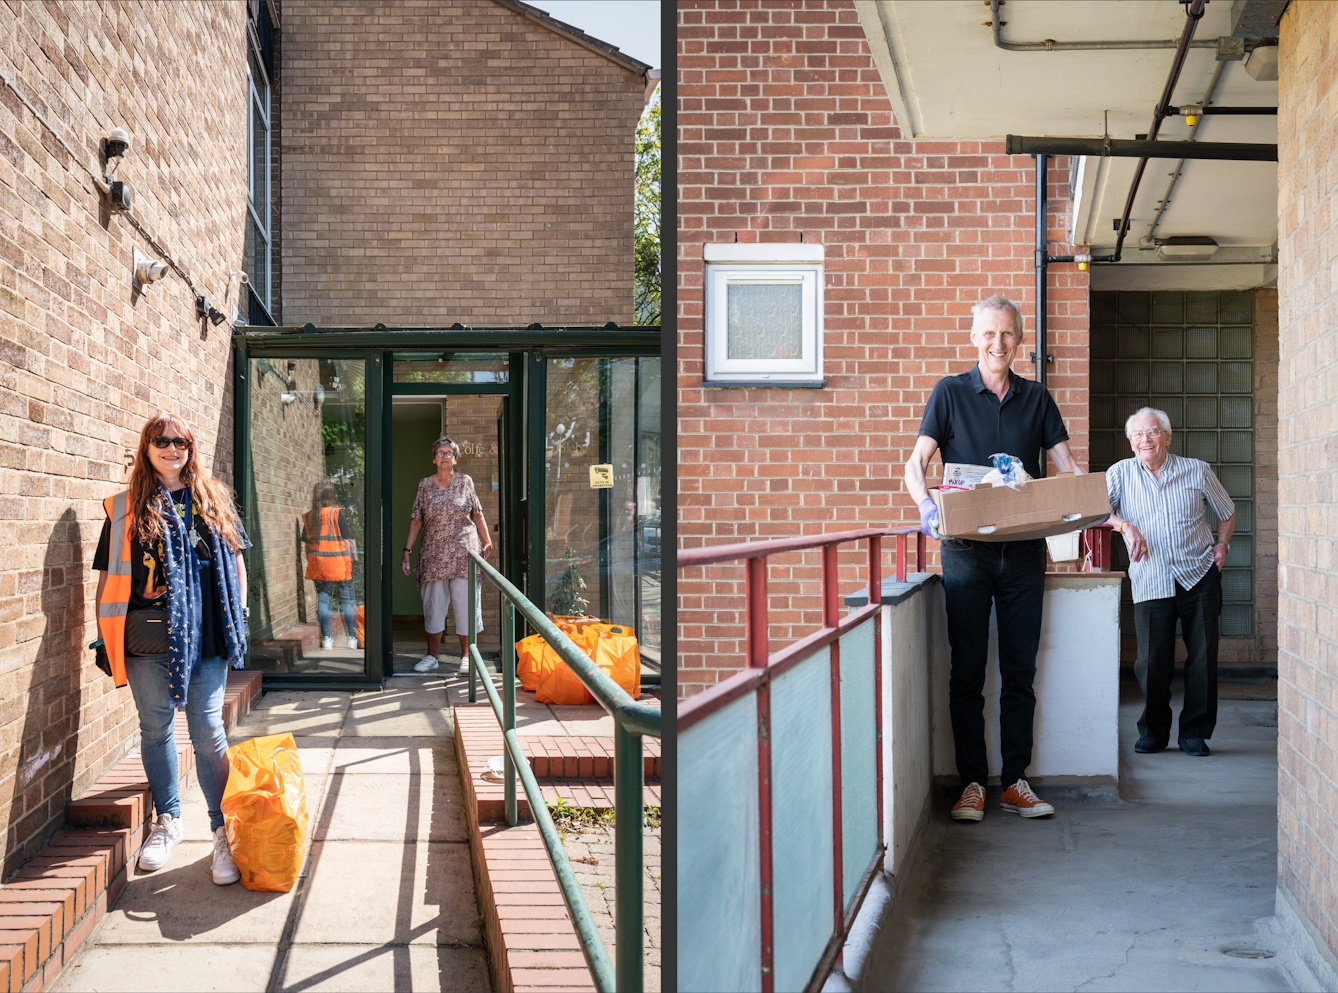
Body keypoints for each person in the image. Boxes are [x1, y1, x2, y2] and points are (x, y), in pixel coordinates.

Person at [904, 294, 1084, 823]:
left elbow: (1067, 467)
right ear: (973, 337)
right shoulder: (950, 393)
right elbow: (915, 463)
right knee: (967, 673)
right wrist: (924, 506)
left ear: (1019, 340)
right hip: (964, 554)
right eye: (988, 333)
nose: (997, 343)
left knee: (1020, 673)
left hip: (1025, 554)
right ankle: (972, 785)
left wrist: (1095, 505)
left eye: (1007, 334)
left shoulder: (1038, 399)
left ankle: (1015, 781)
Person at [93, 413, 250, 882]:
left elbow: (237, 562)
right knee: (156, 727)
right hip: (147, 634)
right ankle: (168, 820)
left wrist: (237, 615)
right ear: (146, 448)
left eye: (179, 441)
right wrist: (106, 635)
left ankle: (222, 832)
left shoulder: (213, 500)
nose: (170, 448)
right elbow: (109, 575)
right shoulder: (124, 508)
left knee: (206, 730)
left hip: (206, 635)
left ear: (190, 448)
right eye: (160, 440)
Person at [1105, 408, 1235, 757]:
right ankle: (1154, 730)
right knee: (1151, 662)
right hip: (1151, 578)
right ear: (1130, 442)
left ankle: (1194, 733)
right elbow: (1099, 513)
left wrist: (1221, 544)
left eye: (1152, 432)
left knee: (1203, 658)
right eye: (1138, 435)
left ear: (1167, 436)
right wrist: (1124, 525)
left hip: (1199, 574)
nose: (1145, 440)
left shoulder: (1197, 470)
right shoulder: (1119, 474)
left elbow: (1226, 510)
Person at [401, 437, 493, 673]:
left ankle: (466, 656)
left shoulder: (465, 482)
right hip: (433, 555)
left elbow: (477, 514)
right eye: (440, 452)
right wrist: (407, 551)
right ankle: (432, 656)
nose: (444, 456)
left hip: (464, 553)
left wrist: (487, 540)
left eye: (449, 453)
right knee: (434, 605)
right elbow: (416, 520)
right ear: (434, 458)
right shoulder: (424, 485)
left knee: (465, 605)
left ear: (455, 458)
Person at [303, 481, 359, 651]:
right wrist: (354, 561)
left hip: (319, 565)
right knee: (347, 600)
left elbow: (307, 545)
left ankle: (327, 640)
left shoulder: (310, 516)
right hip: (339, 563)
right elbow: (348, 541)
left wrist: (314, 561)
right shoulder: (337, 513)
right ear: (332, 495)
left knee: (323, 601)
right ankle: (351, 638)